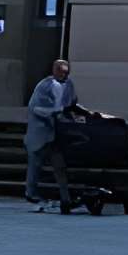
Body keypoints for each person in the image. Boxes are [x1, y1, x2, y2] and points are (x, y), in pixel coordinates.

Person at [23, 56, 76, 212]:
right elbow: (36, 108)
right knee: (35, 165)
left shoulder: (69, 85)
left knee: (59, 165)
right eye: (60, 71)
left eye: (66, 72)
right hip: (41, 133)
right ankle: (31, 193)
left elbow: (71, 103)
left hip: (57, 133)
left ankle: (65, 198)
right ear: (54, 71)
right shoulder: (44, 86)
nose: (63, 75)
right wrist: (55, 113)